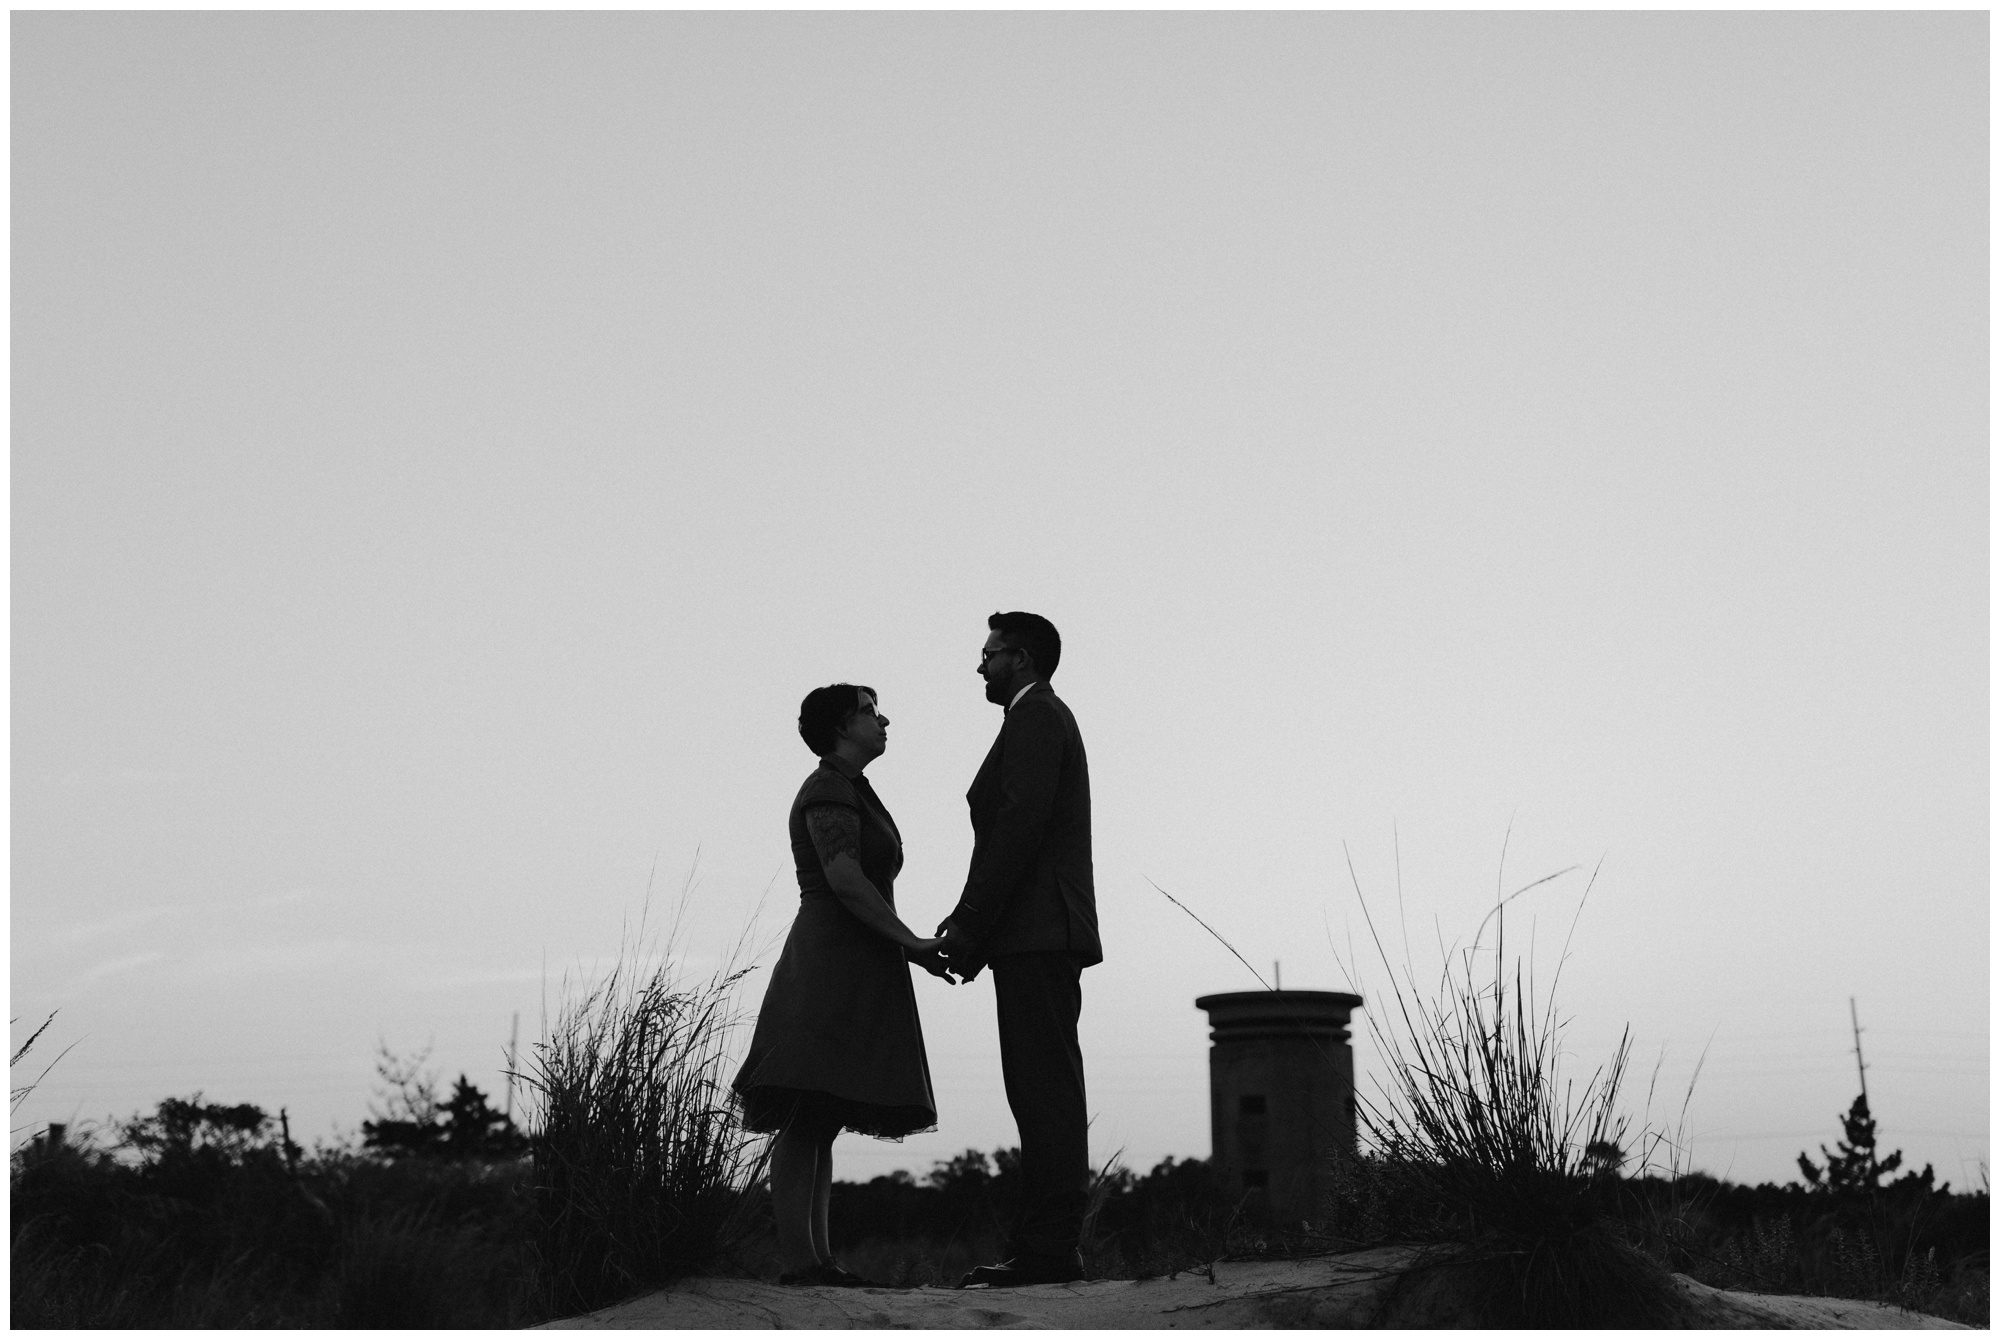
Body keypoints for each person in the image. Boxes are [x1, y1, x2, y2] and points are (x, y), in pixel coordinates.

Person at [733, 684, 957, 1287]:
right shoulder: (828, 788)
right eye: (868, 712)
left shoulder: (853, 788)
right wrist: (911, 943)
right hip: (828, 965)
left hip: (860, 961)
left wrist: (909, 948)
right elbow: (845, 879)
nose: (883, 720)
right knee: (805, 1110)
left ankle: (820, 1260)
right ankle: (802, 1264)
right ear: (839, 727)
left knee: (824, 1113)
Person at [937, 612, 1102, 1288]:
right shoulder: (1035, 719)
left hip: (1039, 931)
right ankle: (1045, 1247)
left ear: (1022, 659)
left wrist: (970, 923)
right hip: (1033, 932)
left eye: (990, 653)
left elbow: (1017, 829)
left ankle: (1049, 1252)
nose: (980, 665)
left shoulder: (1037, 718)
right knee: (1039, 1090)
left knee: (1044, 1091)